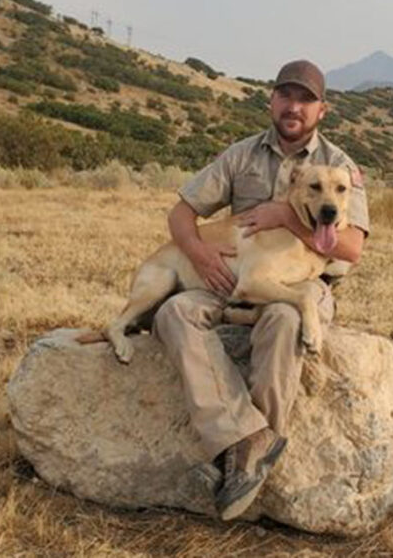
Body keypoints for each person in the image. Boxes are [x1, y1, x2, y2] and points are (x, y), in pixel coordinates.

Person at [152, 59, 370, 521]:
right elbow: (180, 213)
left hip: (300, 285)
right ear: (272, 101)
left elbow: (351, 248)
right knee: (172, 314)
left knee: (286, 319)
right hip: (227, 281)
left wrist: (286, 216)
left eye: (305, 100)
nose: (294, 107)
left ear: (321, 110)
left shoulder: (339, 168)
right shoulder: (241, 155)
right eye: (286, 96)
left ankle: (249, 459)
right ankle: (245, 440)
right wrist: (197, 252)